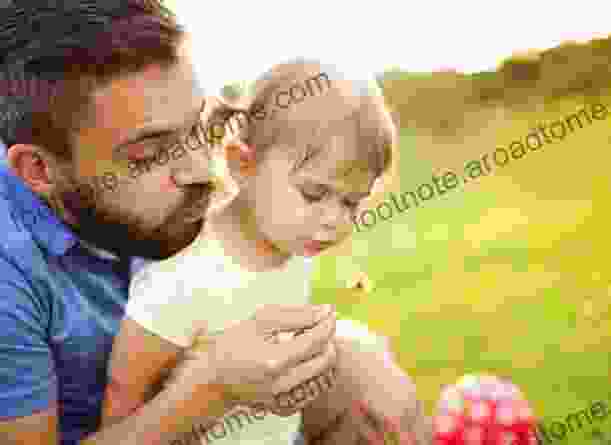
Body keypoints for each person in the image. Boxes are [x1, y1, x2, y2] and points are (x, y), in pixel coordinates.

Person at [0, 2, 338, 444]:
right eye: (150, 155)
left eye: (200, 128)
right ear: (39, 171)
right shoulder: (10, 275)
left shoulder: (170, 200)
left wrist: (352, 355)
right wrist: (209, 391)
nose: (204, 171)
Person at [98, 58, 432, 445]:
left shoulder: (289, 247)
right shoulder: (182, 273)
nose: (334, 222)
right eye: (314, 193)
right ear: (244, 164)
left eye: (351, 203)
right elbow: (124, 398)